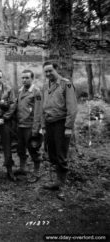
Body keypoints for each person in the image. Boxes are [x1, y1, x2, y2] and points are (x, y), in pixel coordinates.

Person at [41, 61, 77, 191]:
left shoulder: (65, 84)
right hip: (49, 123)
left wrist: (68, 127)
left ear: (56, 69)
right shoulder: (45, 86)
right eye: (46, 71)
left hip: (61, 124)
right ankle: (56, 180)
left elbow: (72, 107)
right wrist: (43, 125)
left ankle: (62, 182)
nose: (48, 73)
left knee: (61, 154)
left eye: (50, 70)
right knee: (52, 153)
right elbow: (42, 107)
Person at [16, 69, 42, 182]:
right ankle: (23, 168)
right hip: (20, 125)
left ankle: (37, 172)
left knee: (33, 148)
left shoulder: (36, 92)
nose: (24, 80)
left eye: (27, 78)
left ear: (32, 79)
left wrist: (36, 129)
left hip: (30, 126)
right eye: (23, 78)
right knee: (20, 148)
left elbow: (38, 111)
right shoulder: (20, 90)